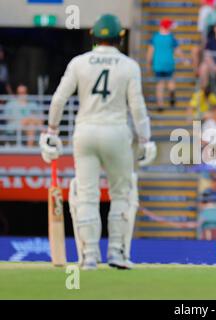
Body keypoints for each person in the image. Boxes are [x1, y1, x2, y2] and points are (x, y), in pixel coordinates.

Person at [39, 14, 157, 270]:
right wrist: (146, 139)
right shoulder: (128, 66)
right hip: (116, 132)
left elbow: (58, 99)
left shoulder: (79, 63)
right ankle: (116, 253)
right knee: (121, 194)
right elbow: (137, 107)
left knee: (87, 195)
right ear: (120, 38)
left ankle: (90, 256)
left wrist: (51, 131)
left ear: (94, 35)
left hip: (85, 132)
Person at [146, 18, 187, 110]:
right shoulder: (171, 37)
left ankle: (160, 105)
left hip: (158, 64)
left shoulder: (155, 37)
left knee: (160, 84)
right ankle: (172, 92)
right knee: (171, 80)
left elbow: (150, 52)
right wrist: (183, 59)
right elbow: (178, 51)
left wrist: (148, 64)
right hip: (169, 63)